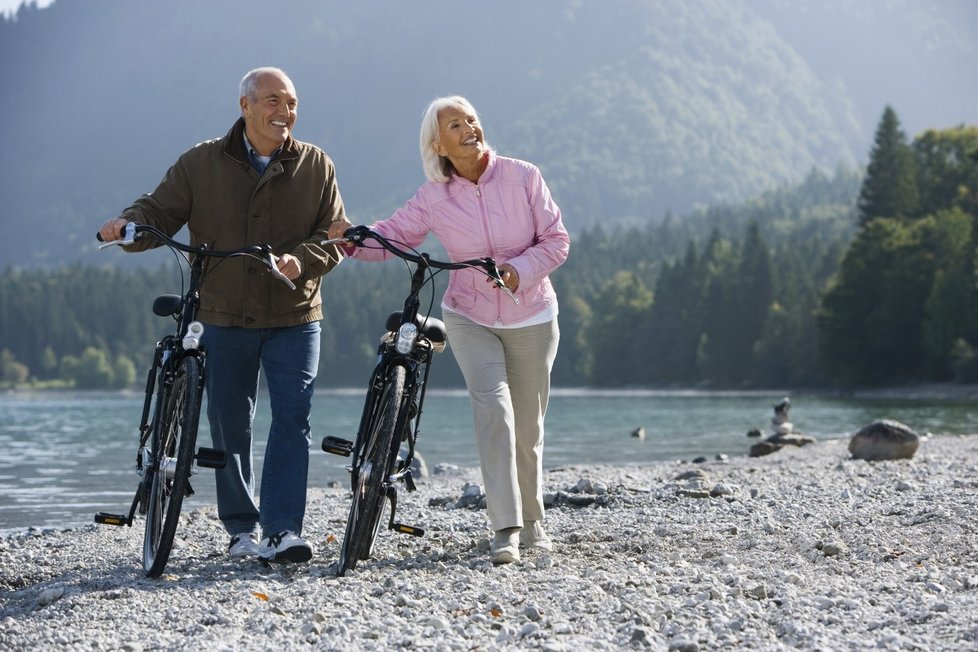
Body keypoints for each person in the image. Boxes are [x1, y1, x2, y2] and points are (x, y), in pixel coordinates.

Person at [98, 67, 347, 564]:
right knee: (231, 422)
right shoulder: (201, 161)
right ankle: (242, 528)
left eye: (292, 102)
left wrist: (303, 259)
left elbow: (336, 234)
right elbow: (159, 210)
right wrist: (129, 224)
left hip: (296, 315)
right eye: (273, 100)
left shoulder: (316, 164)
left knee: (293, 418)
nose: (285, 111)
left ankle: (282, 530)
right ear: (246, 106)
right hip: (222, 313)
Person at [328, 95, 570, 564]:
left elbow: (557, 241)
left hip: (533, 316)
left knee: (527, 426)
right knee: (493, 411)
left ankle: (534, 520)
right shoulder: (434, 196)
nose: (468, 129)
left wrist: (519, 269)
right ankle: (506, 527)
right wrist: (353, 240)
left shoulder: (523, 176)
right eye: (455, 125)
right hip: (469, 317)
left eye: (472, 120)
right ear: (437, 143)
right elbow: (395, 236)